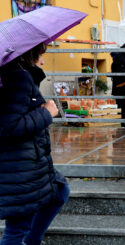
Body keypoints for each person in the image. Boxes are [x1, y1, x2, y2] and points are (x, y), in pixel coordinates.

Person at [0, 43, 70, 245]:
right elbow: (9, 127)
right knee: (16, 229)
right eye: (40, 53)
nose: (43, 59)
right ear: (29, 53)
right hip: (19, 166)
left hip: (27, 162)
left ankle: (33, 241)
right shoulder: (17, 77)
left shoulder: (14, 75)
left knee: (59, 190)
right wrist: (46, 112)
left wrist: (36, 109)